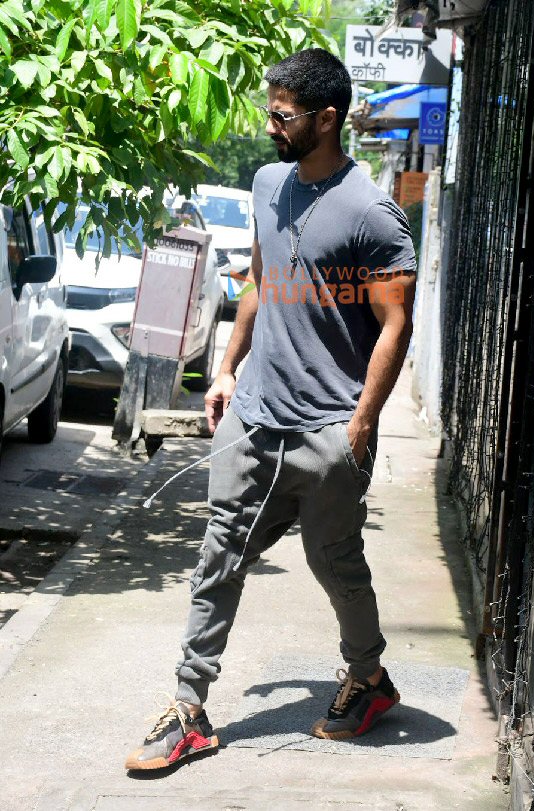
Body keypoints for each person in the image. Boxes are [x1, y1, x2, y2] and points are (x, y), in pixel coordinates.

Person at [125, 48, 417, 771]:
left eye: (282, 114)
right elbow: (261, 276)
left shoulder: (370, 214)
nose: (269, 124)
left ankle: (368, 675)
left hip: (328, 429)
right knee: (218, 555)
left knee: (333, 561)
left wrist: (362, 419)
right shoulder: (265, 183)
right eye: (270, 108)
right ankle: (188, 707)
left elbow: (395, 323)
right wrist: (226, 368)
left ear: (326, 118)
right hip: (253, 419)